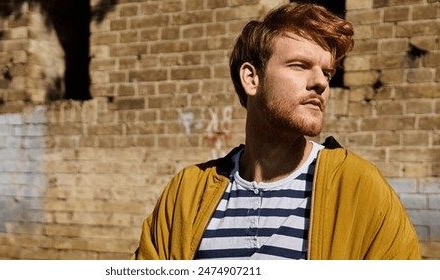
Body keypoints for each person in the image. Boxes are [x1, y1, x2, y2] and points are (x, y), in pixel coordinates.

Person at [132, 2, 421, 260]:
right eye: (300, 66)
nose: (320, 83)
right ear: (251, 78)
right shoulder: (186, 192)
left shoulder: (358, 187)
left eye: (327, 72)